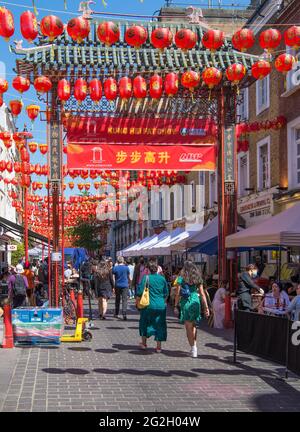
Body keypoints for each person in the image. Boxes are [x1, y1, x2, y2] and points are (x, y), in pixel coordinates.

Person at [174, 261, 210, 358]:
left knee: (188, 327)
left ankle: (194, 348)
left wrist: (176, 305)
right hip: (195, 301)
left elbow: (177, 293)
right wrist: (206, 307)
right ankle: (193, 346)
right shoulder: (197, 278)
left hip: (186, 302)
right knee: (193, 325)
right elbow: (202, 294)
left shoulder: (180, 278)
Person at [136, 260, 169, 353]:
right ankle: (158, 347)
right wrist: (163, 301)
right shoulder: (162, 279)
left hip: (148, 305)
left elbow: (139, 292)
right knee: (160, 324)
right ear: (157, 268)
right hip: (160, 305)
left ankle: (144, 343)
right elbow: (166, 293)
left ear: (148, 269)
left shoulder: (146, 278)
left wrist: (137, 302)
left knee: (144, 322)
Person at [112, 256, 130, 320]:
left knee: (117, 299)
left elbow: (113, 277)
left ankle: (116, 313)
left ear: (117, 261)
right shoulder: (126, 268)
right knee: (124, 300)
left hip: (117, 285)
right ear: (122, 261)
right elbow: (128, 276)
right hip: (125, 285)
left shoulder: (115, 268)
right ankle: (124, 314)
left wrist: (113, 285)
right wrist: (129, 283)